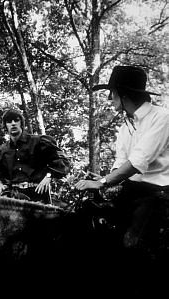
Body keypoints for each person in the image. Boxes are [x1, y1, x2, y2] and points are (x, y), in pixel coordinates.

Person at [75, 65, 169, 296]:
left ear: (124, 94)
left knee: (130, 245)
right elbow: (121, 162)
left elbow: (138, 162)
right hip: (131, 191)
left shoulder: (162, 117)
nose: (110, 98)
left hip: (157, 194)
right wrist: (104, 179)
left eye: (112, 92)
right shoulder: (124, 127)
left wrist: (104, 182)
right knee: (90, 228)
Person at [0, 109, 70, 204]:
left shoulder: (38, 142)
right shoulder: (2, 150)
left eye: (16, 120)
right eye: (9, 121)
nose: (13, 124)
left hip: (38, 194)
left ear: (21, 123)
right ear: (5, 126)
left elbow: (62, 160)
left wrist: (49, 176)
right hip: (14, 197)